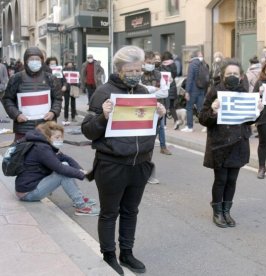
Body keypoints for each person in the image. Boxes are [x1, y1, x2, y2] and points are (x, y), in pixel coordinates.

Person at [81, 45, 166, 275]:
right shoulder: (103, 92)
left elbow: (146, 129)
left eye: (138, 69)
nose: (135, 74)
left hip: (140, 163)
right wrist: (102, 116)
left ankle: (127, 253)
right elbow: (88, 130)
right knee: (110, 212)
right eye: (129, 70)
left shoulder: (144, 93)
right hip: (112, 164)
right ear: (119, 69)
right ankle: (109, 255)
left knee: (131, 211)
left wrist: (159, 115)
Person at [199, 59, 263, 228]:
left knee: (232, 179)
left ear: (241, 76)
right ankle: (217, 211)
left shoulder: (245, 93)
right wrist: (213, 110)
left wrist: (257, 111)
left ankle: (227, 210)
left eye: (235, 74)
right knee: (221, 179)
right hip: (220, 144)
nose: (232, 76)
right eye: (229, 74)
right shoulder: (215, 91)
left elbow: (248, 121)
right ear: (223, 76)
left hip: (238, 143)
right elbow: (203, 119)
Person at [15, 121, 98, 216]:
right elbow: (60, 168)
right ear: (48, 137)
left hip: (31, 186)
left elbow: (66, 158)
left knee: (65, 164)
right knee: (62, 173)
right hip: (27, 193)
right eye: (57, 137)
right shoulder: (42, 148)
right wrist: (82, 175)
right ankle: (81, 207)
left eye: (61, 137)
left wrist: (80, 170)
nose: (61, 140)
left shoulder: (44, 145)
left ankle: (79, 198)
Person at [2, 47, 62, 141]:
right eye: (31, 59)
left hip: (46, 127)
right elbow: (7, 99)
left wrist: (53, 112)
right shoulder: (16, 78)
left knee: (47, 154)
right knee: (22, 154)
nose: (35, 61)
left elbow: (57, 98)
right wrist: (16, 115)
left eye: (37, 59)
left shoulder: (50, 78)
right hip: (23, 129)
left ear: (42, 61)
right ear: (26, 61)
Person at [141, 51, 170, 156]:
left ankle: (163, 147)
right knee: (144, 130)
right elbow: (139, 89)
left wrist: (147, 92)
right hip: (143, 107)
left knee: (160, 127)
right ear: (143, 61)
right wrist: (154, 89)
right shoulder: (138, 73)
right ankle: (145, 149)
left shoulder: (158, 74)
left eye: (153, 63)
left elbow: (165, 92)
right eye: (149, 62)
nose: (152, 65)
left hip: (158, 106)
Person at [181, 50, 207, 132]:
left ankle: (189, 127)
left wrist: (187, 91)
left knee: (189, 108)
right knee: (201, 108)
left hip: (193, 90)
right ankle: (206, 126)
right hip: (202, 89)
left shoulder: (192, 64)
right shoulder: (204, 63)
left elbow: (190, 79)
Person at [160, 51, 179, 130]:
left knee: (163, 105)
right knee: (171, 106)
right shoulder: (174, 64)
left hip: (165, 87)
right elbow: (175, 75)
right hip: (173, 87)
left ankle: (164, 124)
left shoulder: (162, 65)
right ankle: (176, 120)